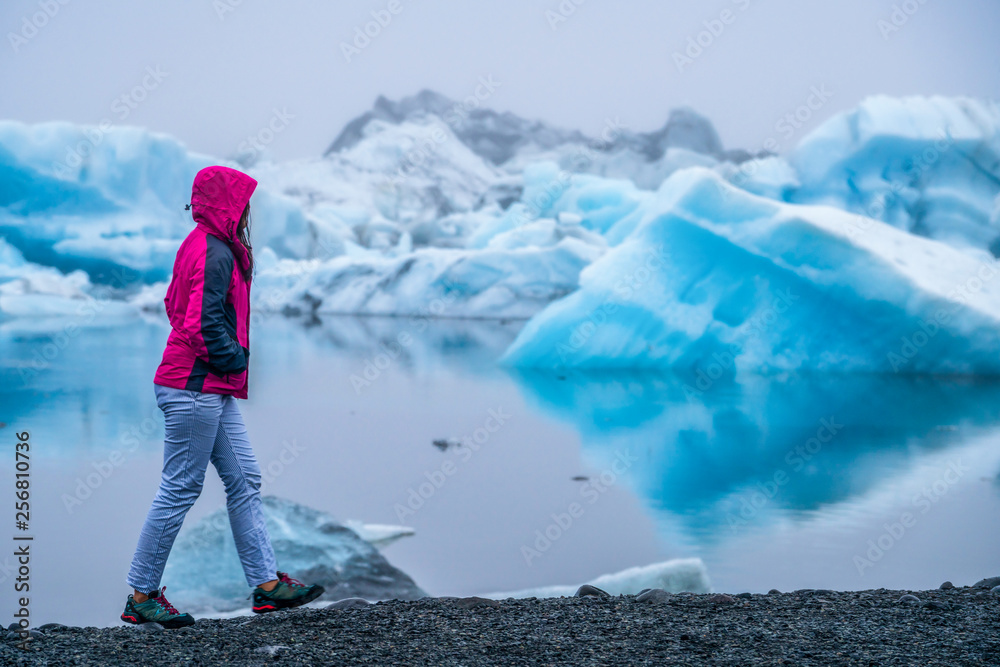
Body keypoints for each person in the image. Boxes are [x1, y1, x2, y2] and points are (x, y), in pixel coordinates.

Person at [121, 165, 323, 629]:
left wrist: (226, 366)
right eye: (244, 202)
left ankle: (267, 586)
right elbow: (198, 323)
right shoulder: (215, 252)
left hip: (205, 385)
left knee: (245, 477)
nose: (249, 210)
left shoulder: (201, 243)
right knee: (180, 488)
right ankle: (141, 595)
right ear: (229, 204)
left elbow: (173, 306)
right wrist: (233, 359)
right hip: (193, 386)